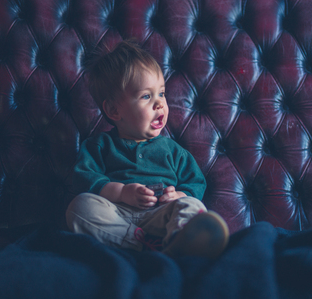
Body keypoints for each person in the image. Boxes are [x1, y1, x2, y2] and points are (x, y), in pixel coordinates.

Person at [66, 39, 229, 258]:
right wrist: (122, 193)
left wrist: (178, 194)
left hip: (161, 215)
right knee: (79, 208)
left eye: (161, 93)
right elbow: (83, 178)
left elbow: (196, 183)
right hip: (117, 214)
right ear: (114, 111)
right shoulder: (99, 146)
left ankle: (179, 239)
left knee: (191, 205)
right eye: (146, 96)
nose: (160, 103)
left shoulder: (173, 151)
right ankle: (143, 244)